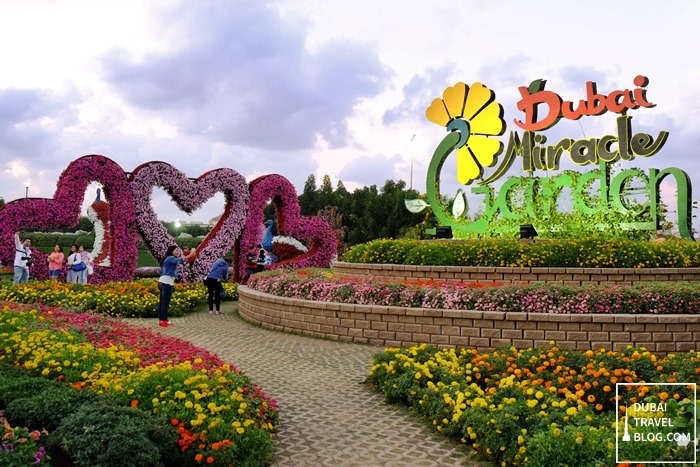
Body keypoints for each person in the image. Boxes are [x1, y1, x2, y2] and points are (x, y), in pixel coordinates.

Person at [157, 245, 197, 327]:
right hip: (166, 283)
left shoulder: (168, 259)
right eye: (176, 250)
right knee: (165, 303)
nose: (178, 252)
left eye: (178, 251)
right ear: (171, 251)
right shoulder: (170, 258)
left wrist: (190, 255)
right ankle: (164, 321)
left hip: (163, 282)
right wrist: (191, 255)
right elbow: (179, 260)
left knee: (162, 303)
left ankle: (162, 320)